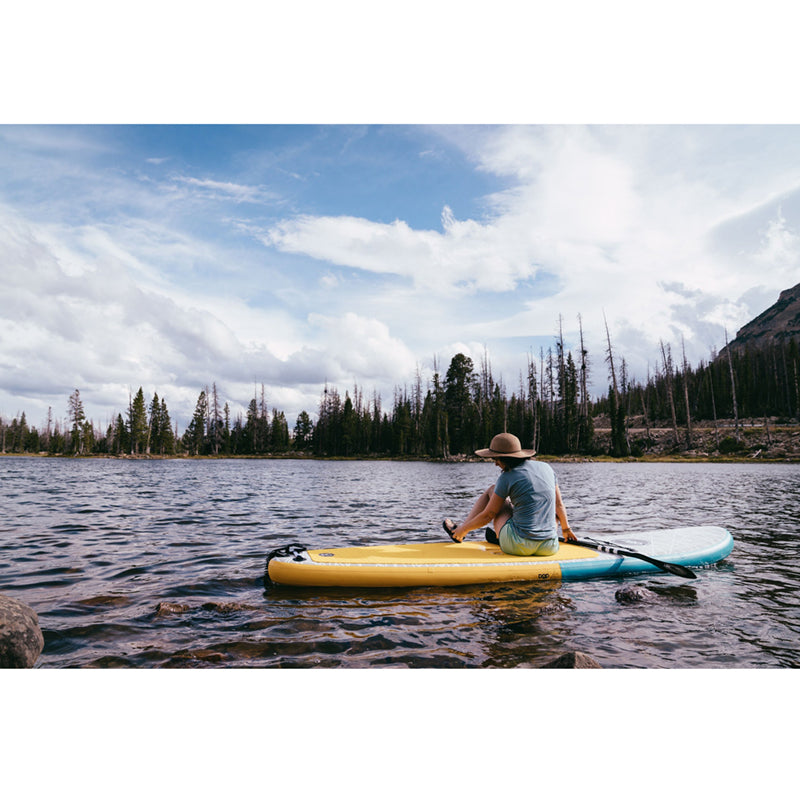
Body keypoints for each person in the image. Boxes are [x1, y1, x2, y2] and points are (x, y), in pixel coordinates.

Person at [442, 432, 576, 556]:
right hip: (549, 547)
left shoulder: (507, 477)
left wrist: (465, 528)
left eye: (496, 459)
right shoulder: (547, 468)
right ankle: (497, 535)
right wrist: (566, 530)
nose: (495, 464)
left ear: (505, 458)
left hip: (518, 546)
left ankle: (460, 533)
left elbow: (489, 515)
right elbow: (559, 505)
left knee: (492, 490)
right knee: (546, 509)